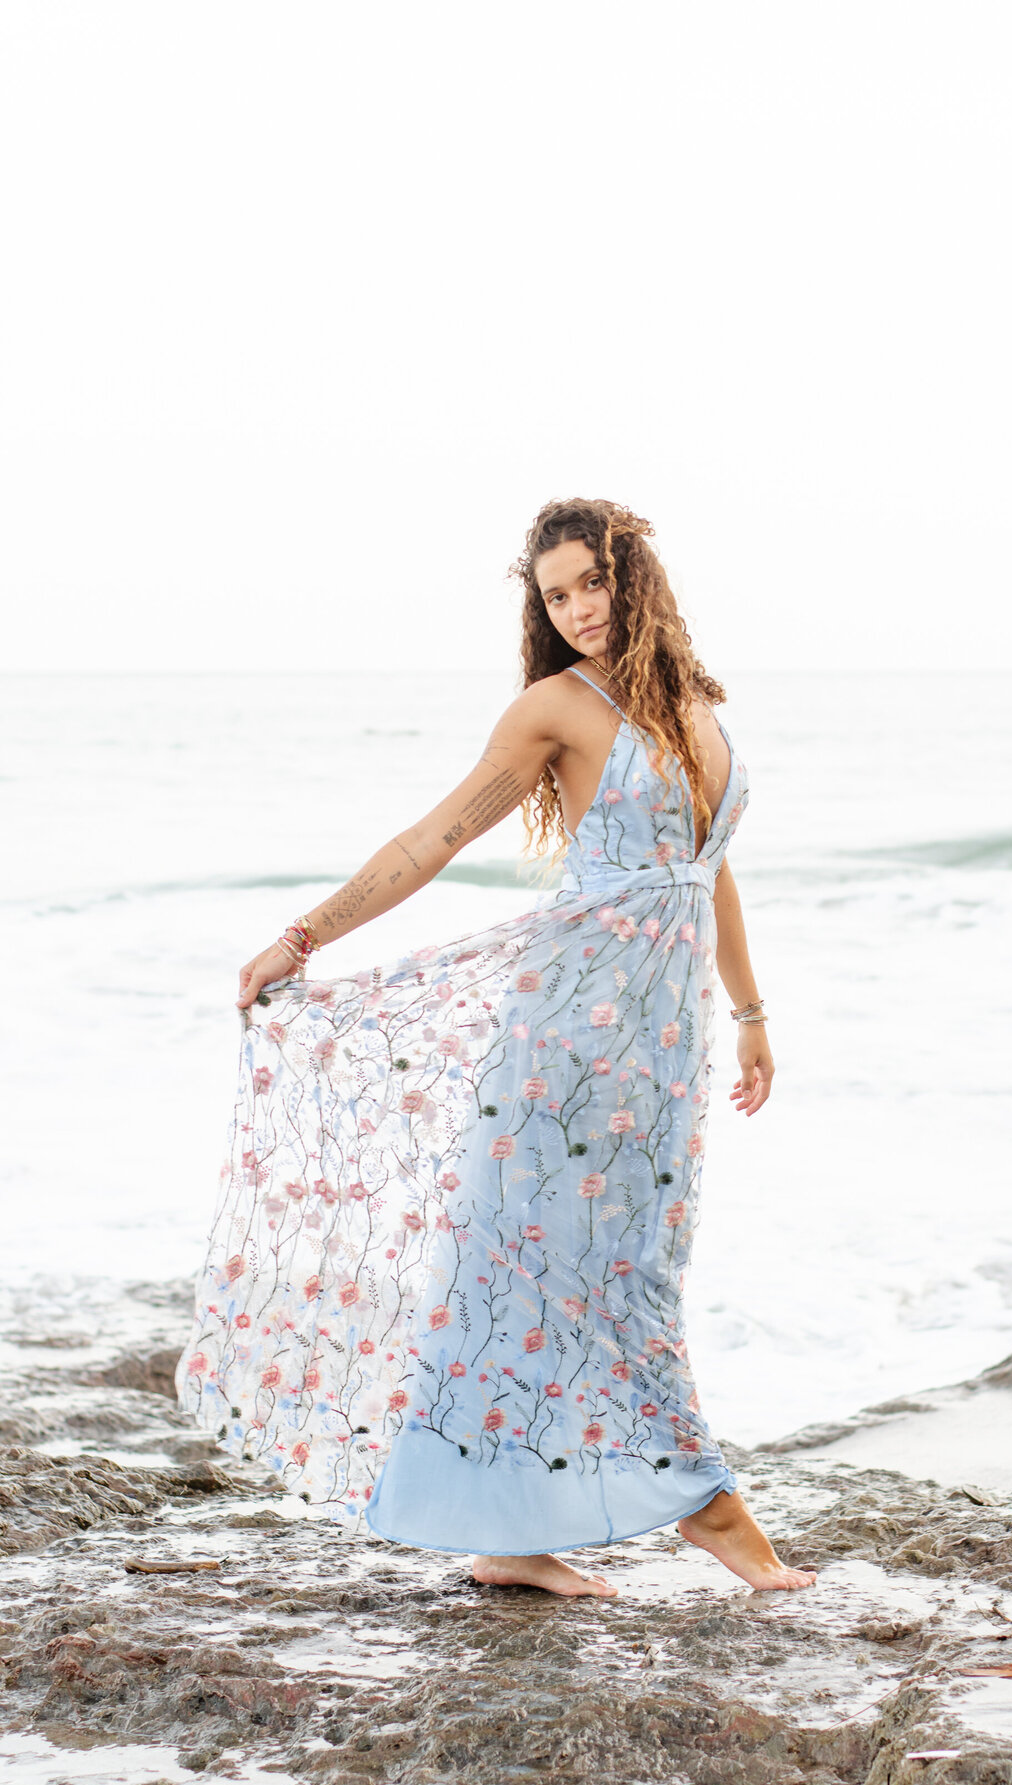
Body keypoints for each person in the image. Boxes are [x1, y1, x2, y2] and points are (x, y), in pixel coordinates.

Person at [177, 498, 815, 1600]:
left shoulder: (697, 710)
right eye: (556, 593)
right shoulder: (552, 710)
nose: (575, 610)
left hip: (660, 1048)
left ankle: (516, 1537)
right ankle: (704, 1507)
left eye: (592, 585)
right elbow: (435, 837)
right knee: (548, 1269)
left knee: (618, 1268)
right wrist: (303, 935)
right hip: (567, 1037)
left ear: (637, 579)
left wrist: (752, 1014)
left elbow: (707, 875)